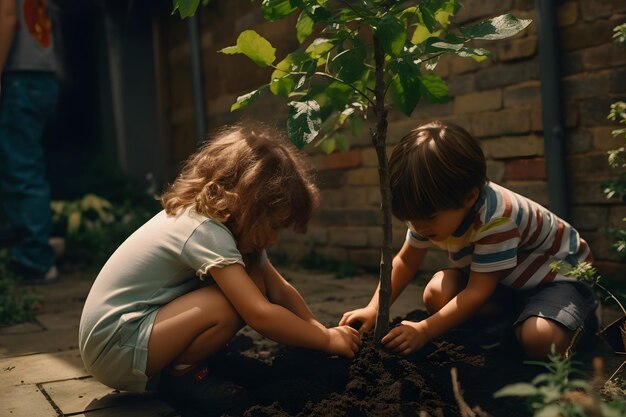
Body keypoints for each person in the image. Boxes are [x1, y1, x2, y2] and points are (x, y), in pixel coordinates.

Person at [79, 123, 361, 403]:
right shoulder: (202, 229)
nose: (274, 239)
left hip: (131, 338)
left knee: (254, 278)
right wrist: (324, 339)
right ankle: (183, 375)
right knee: (234, 303)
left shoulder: (235, 231)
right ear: (246, 205)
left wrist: (316, 329)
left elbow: (280, 290)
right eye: (274, 226)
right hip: (115, 348)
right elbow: (259, 314)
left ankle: (204, 357)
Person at [340, 121, 596, 360]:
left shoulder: (497, 219)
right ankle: (510, 322)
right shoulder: (427, 212)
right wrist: (373, 307)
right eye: (409, 218)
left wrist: (425, 330)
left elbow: (477, 292)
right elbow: (406, 261)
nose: (417, 226)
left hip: (558, 281)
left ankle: (578, 318)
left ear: (470, 197)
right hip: (507, 282)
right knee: (437, 293)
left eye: (426, 217)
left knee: (541, 339)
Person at [0, 0, 60, 283]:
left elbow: (8, 15)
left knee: (21, 170)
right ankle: (33, 254)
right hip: (40, 76)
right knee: (27, 167)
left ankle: (34, 261)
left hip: (18, 76)